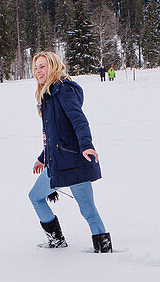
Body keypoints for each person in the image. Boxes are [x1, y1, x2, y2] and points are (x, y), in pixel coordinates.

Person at [28, 50, 113, 252]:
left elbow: (79, 120)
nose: (39, 71)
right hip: (57, 162)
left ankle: (103, 250)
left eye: (43, 66)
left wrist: (86, 145)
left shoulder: (63, 90)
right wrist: (43, 158)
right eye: (36, 67)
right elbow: (56, 134)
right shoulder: (47, 95)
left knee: (87, 210)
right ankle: (56, 240)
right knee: (36, 196)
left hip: (74, 160)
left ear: (54, 66)